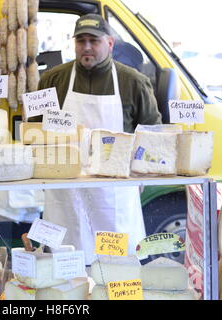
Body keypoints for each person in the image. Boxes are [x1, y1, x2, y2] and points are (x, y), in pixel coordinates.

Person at [29, 14, 162, 265]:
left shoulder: (133, 82)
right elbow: (35, 129)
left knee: (116, 266)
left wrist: (141, 173)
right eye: (81, 41)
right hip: (65, 190)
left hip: (114, 192)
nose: (87, 47)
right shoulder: (52, 80)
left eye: (94, 40)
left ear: (110, 44)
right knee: (67, 265)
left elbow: (152, 135)